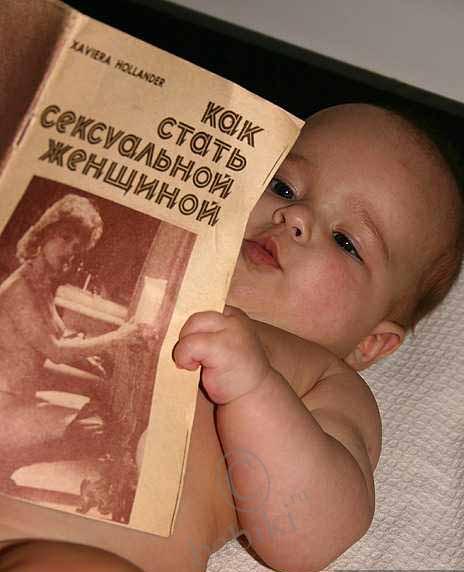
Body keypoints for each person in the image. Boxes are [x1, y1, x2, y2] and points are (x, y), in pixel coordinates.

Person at [0, 103, 462, 572]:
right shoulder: (159, 292)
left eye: (346, 241)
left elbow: (311, 537)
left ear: (371, 343)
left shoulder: (322, 378)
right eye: (283, 187)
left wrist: (255, 388)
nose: (295, 215)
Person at [0, 194, 147, 484]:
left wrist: (89, 358)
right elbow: (55, 350)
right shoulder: (19, 289)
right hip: (5, 405)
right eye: (65, 238)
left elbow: (51, 335)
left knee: (97, 409)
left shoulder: (40, 283)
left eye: (77, 246)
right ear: (43, 234)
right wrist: (117, 338)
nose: (70, 250)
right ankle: (4, 463)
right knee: (95, 428)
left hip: (21, 396)